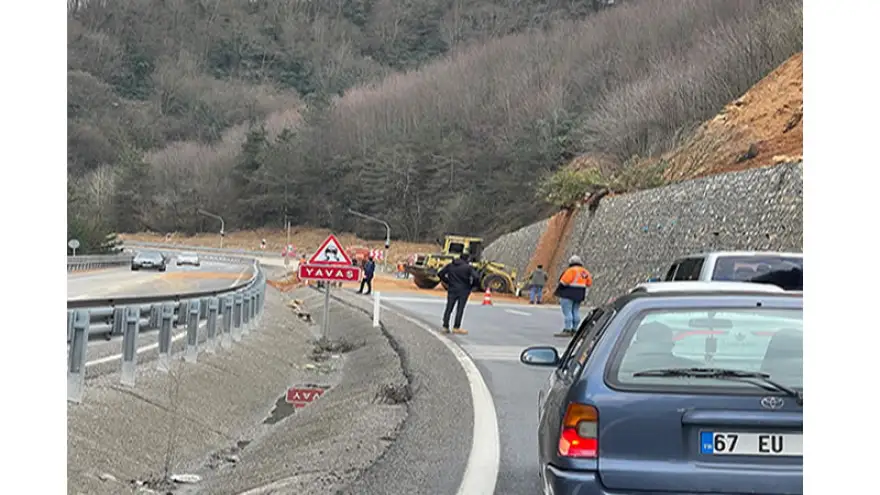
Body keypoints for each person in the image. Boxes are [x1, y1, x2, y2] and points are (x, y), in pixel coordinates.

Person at [438, 253, 480, 335]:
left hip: (452, 288)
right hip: (464, 290)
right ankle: (456, 327)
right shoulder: (468, 267)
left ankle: (445, 326)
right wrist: (472, 286)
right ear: (467, 259)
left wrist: (447, 281)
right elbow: (476, 277)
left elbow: (440, 274)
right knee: (460, 309)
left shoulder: (451, 265)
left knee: (449, 308)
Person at [553, 255, 593, 338]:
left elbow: (564, 282)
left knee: (567, 311)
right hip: (579, 294)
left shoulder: (570, 271)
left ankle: (567, 329)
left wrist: (558, 291)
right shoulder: (585, 272)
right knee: (575, 311)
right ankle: (575, 329)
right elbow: (589, 283)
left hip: (568, 293)